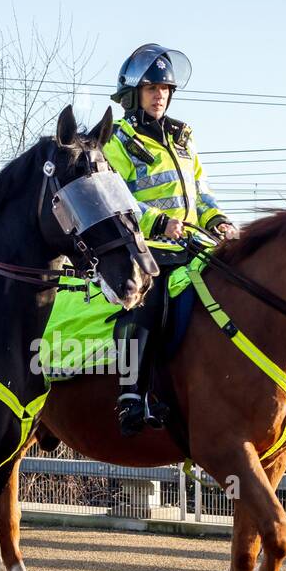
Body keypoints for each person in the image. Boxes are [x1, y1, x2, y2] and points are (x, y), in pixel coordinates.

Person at [103, 43, 239, 436]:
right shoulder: (118, 140)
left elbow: (201, 193)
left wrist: (220, 221)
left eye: (164, 88)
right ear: (133, 94)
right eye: (151, 88)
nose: (160, 95)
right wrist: (159, 223)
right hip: (145, 250)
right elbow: (117, 199)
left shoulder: (184, 138)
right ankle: (130, 396)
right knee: (146, 303)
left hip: (193, 246)